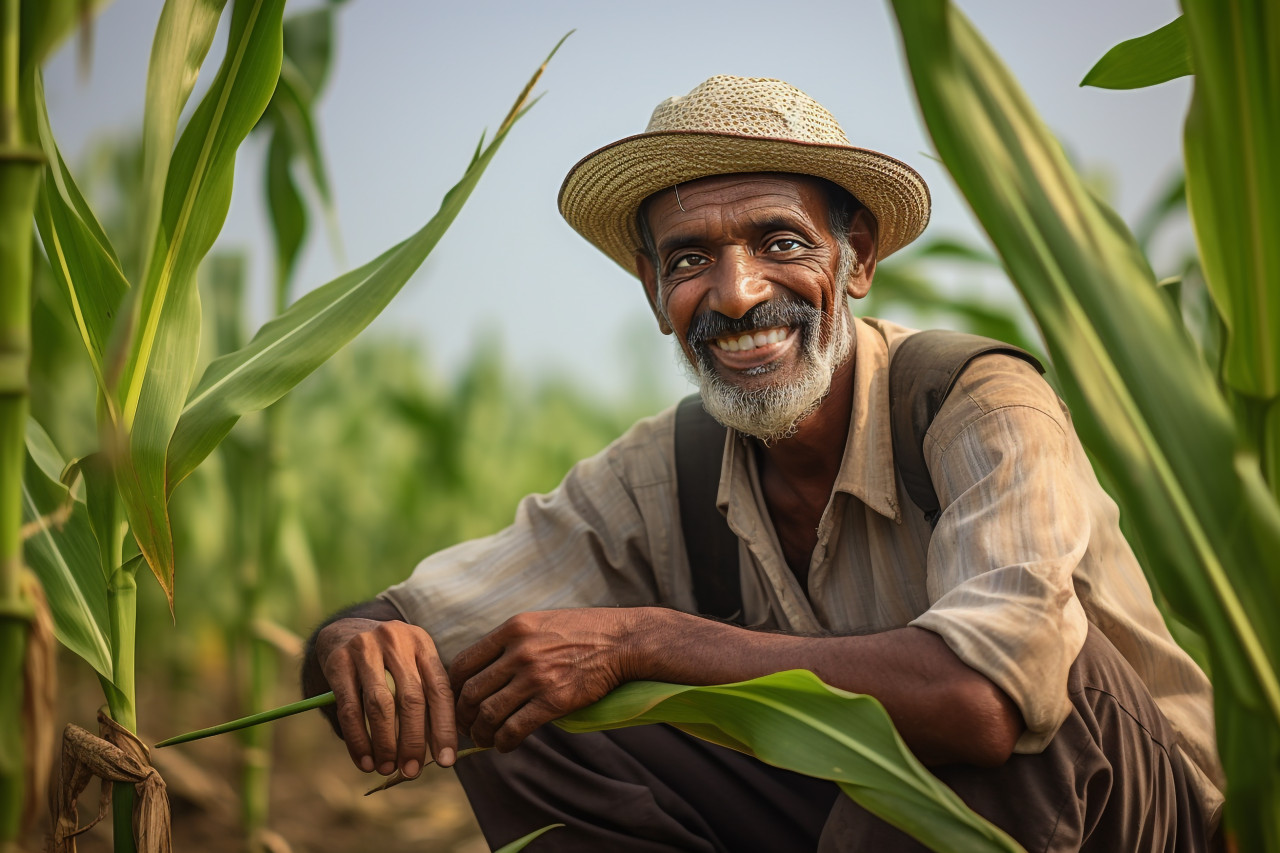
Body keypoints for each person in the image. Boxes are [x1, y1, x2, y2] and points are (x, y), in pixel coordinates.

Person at [302, 76, 1223, 850]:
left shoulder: (973, 402)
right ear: (656, 290)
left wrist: (644, 640)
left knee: (1020, 699)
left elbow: (983, 703)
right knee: (528, 715)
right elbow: (413, 622)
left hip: (1134, 811)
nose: (737, 295)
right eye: (692, 257)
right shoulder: (664, 469)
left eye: (780, 242)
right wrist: (355, 645)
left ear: (855, 257)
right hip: (858, 813)